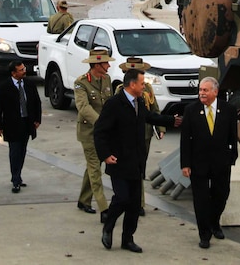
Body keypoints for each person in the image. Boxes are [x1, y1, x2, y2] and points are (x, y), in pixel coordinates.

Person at [93, 69, 181, 253]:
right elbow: (100, 131)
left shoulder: (139, 102)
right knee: (122, 198)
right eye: (142, 84)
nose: (144, 87)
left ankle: (128, 239)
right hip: (118, 161)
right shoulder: (114, 104)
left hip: (136, 161)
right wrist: (105, 155)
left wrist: (172, 121)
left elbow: (150, 117)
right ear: (132, 84)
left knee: (133, 204)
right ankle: (108, 227)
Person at [180, 76, 238, 249]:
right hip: (199, 164)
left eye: (205, 90)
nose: (202, 93)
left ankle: (214, 222)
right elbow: (185, 140)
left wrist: (231, 157)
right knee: (201, 200)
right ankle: (204, 234)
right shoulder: (191, 110)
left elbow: (232, 136)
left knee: (221, 195)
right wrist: (185, 164)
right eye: (200, 90)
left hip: (221, 162)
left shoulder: (228, 109)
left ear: (215, 91)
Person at [115, 57, 165, 217]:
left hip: (145, 134)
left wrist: (161, 126)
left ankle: (139, 203)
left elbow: (154, 110)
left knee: (140, 169)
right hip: (127, 136)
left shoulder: (147, 89)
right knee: (129, 170)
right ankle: (133, 202)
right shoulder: (120, 90)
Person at [73, 48, 115, 222]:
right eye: (105, 63)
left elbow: (110, 104)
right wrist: (101, 124)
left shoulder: (106, 79)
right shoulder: (81, 83)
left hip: (104, 133)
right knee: (95, 169)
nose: (108, 66)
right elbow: (83, 107)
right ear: (97, 65)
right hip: (89, 132)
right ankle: (103, 207)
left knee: (92, 166)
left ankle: (83, 200)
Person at [0, 60, 41, 194]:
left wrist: (37, 119)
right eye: (20, 70)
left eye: (24, 68)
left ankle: (18, 175)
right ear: (13, 73)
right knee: (15, 152)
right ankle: (15, 180)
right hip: (12, 124)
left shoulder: (29, 84)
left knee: (22, 151)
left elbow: (36, 102)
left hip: (27, 123)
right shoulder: (4, 87)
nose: (24, 71)